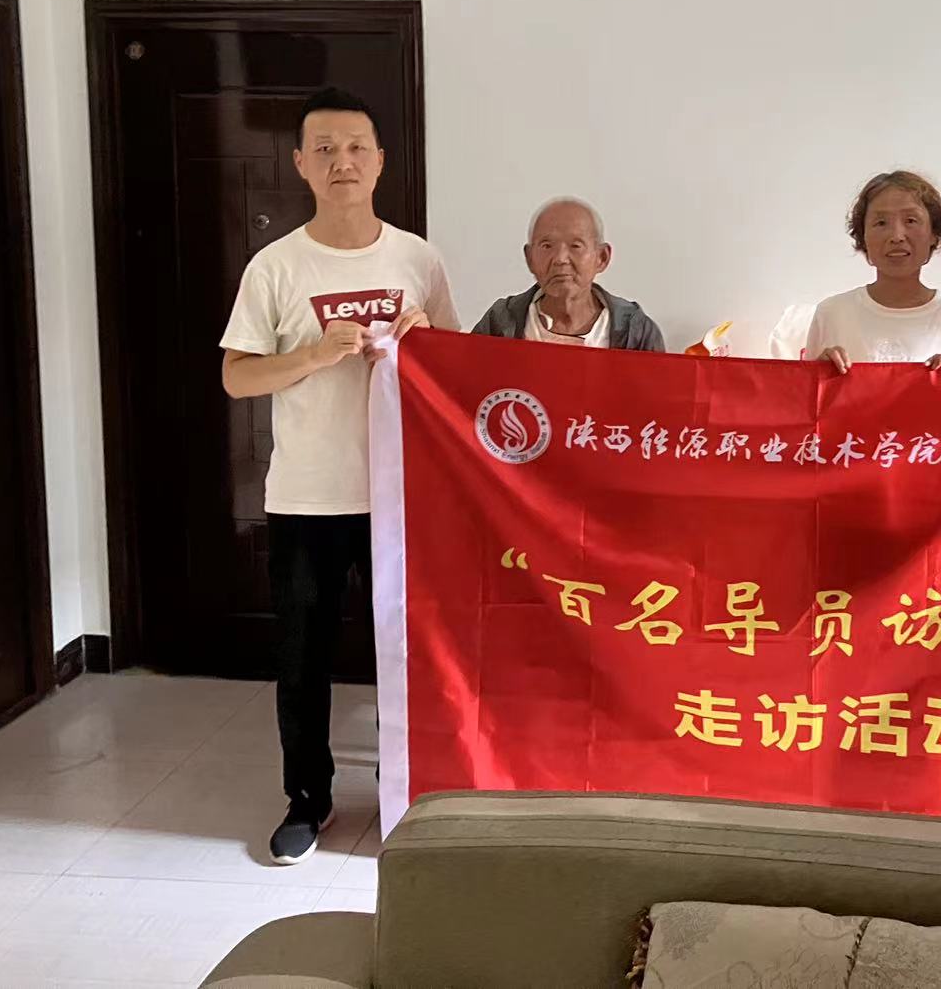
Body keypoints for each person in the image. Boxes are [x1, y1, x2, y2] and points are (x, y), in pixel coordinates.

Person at [220, 86, 459, 865]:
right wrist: (315, 355)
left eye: (355, 147)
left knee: (410, 656)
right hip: (307, 497)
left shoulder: (418, 258)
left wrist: (425, 341)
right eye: (323, 149)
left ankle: (407, 794)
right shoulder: (275, 266)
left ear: (380, 161)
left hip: (401, 497)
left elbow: (457, 370)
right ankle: (308, 799)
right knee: (303, 660)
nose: (341, 162)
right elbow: (237, 377)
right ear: (300, 163)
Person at [806, 170, 941, 372]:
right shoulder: (831, 314)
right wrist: (817, 374)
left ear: (933, 234)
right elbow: (806, 391)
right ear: (863, 236)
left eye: (911, 221)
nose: (896, 236)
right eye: (881, 223)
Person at [473, 197, 665, 350]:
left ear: (602, 257)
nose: (560, 259)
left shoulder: (635, 332)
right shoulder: (500, 323)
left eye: (575, 246)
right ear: (530, 258)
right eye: (547, 246)